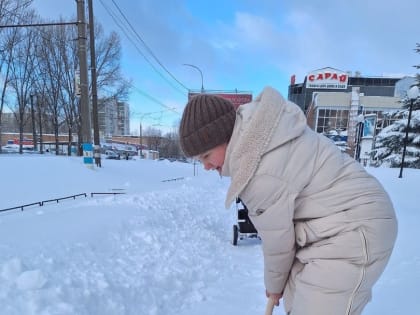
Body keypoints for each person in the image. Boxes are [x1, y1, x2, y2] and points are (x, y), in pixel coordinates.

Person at [178, 86, 397, 315]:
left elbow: (278, 242)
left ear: (224, 137)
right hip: (332, 225)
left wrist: (273, 287)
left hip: (354, 228)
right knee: (296, 300)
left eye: (206, 156)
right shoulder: (259, 139)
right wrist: (279, 286)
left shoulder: (258, 169)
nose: (205, 166)